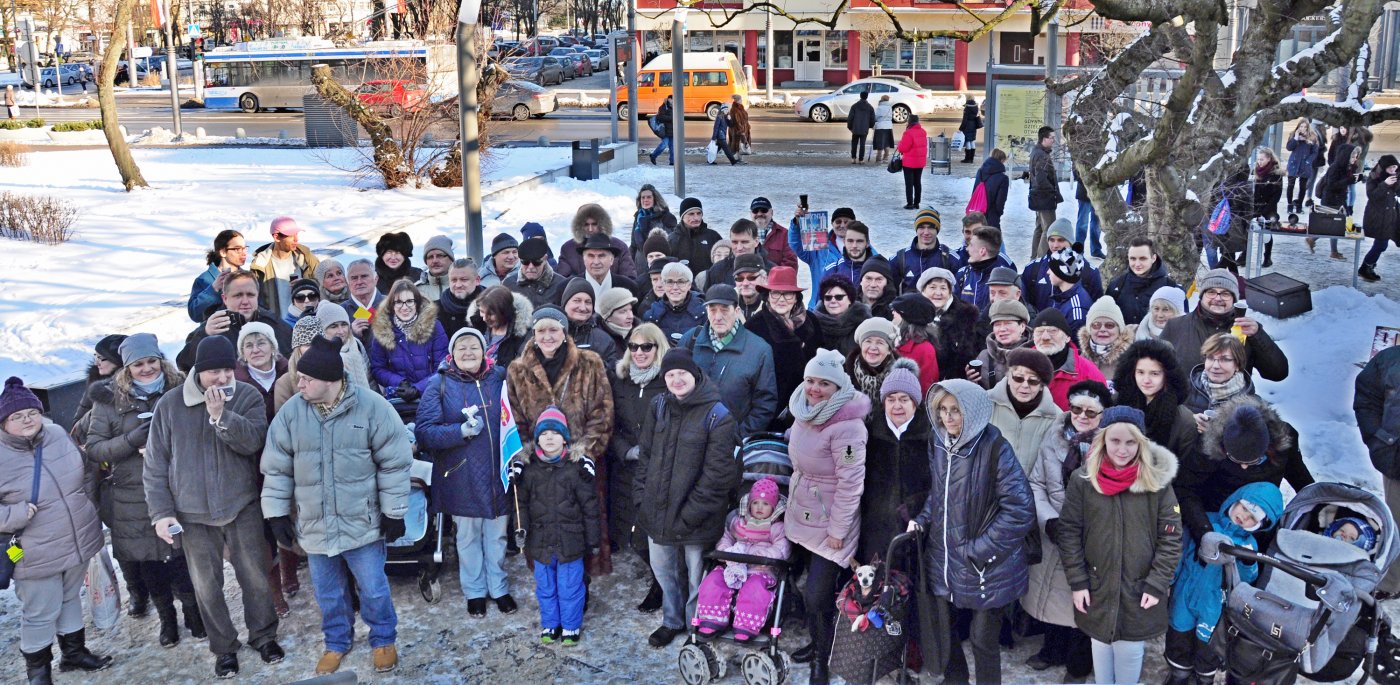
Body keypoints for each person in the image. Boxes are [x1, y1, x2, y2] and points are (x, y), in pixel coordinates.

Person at [262, 334, 411, 675]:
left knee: (373, 589)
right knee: (329, 594)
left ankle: (383, 639)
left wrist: (394, 511)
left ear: (330, 381)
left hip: (362, 521)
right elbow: (276, 467)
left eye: (305, 379)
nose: (297, 383)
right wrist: (276, 513)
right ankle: (336, 642)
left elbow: (395, 462)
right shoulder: (291, 414)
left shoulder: (373, 408)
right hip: (315, 525)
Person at [144, 336, 282, 678]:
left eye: (226, 370)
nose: (221, 378)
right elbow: (156, 465)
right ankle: (224, 648)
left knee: (255, 578)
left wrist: (221, 417)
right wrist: (161, 513)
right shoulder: (170, 404)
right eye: (212, 372)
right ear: (197, 372)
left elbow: (254, 443)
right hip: (192, 513)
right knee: (206, 586)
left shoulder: (246, 396)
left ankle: (263, 636)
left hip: (241, 503)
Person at [909, 379, 1034, 685]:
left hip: (987, 566)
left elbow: (1020, 510)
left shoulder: (995, 448)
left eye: (956, 411)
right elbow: (939, 493)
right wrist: (923, 519)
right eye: (943, 410)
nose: (948, 418)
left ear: (974, 413)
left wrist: (978, 550)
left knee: (982, 640)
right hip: (945, 558)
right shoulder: (938, 442)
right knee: (947, 634)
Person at [1057, 406, 1183, 685]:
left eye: (1130, 442)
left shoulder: (1157, 483)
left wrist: (1156, 582)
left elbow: (1171, 537)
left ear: (1141, 443)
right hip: (1096, 583)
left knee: (1128, 648)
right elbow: (1069, 532)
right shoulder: (1083, 480)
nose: (1122, 449)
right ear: (1102, 440)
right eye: (1115, 440)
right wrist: (1078, 581)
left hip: (1138, 586)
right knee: (1100, 642)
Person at [1, 378, 111, 685]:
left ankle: (74, 654)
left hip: (76, 537)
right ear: (3, 422)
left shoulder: (56, 434)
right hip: (32, 549)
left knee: (70, 598)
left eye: (31, 413)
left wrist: (85, 504)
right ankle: (39, 673)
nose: (27, 420)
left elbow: (86, 471)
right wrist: (15, 514)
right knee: (40, 611)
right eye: (16, 416)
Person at [634, 348, 741, 648]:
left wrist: (691, 513)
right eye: (670, 374)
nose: (676, 379)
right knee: (664, 570)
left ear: (694, 374)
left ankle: (697, 623)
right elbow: (647, 457)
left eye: (682, 373)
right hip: (657, 509)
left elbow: (717, 476)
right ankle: (672, 620)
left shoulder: (717, 416)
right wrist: (641, 498)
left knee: (696, 576)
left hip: (696, 515)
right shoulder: (658, 406)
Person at [507, 306, 616, 575]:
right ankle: (551, 587)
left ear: (565, 332)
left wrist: (587, 452)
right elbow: (515, 417)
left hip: (580, 462)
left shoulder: (590, 362)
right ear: (533, 334)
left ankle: (583, 585)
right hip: (539, 464)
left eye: (553, 329)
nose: (547, 336)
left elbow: (603, 412)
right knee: (545, 526)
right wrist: (525, 454)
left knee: (583, 524)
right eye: (541, 330)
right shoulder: (518, 369)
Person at [415, 327, 514, 617]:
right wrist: (459, 432)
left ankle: (499, 587)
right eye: (462, 348)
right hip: (461, 474)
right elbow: (425, 432)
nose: (468, 352)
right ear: (452, 353)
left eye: (474, 346)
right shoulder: (440, 384)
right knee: (468, 535)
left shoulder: (500, 377)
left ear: (484, 351)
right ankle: (474, 590)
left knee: (497, 534)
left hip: (498, 470)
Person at [784, 350, 869, 685]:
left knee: (818, 594)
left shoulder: (847, 427)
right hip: (804, 511)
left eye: (824, 383)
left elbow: (851, 483)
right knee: (809, 591)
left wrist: (838, 529)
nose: (815, 388)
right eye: (810, 380)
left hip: (832, 520)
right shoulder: (804, 410)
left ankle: (823, 657)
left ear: (838, 387)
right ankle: (818, 640)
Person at [1024, 380, 1111, 679]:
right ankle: (1052, 649)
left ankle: (1078, 665)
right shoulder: (1054, 435)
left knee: (1084, 601)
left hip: (1092, 538)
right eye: (1076, 408)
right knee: (1052, 596)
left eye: (1092, 411)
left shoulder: (1114, 444)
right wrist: (1049, 520)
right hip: (1055, 530)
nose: (1082, 416)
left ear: (1104, 414)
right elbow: (1036, 483)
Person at [1165, 482, 1282, 685]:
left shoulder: (1248, 545)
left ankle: (1204, 676)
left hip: (1215, 604)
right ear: (1234, 501)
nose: (1243, 516)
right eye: (1244, 508)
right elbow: (1181, 550)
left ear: (1258, 525)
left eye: (1251, 518)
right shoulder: (1205, 522)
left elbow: (1246, 580)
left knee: (1208, 643)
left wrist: (1247, 561)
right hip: (1185, 592)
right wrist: (1170, 578)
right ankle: (1179, 674)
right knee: (1178, 634)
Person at [1176, 395, 1313, 551]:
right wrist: (1204, 531)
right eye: (1234, 459)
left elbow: (1303, 483)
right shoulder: (1209, 445)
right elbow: (1184, 488)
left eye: (1253, 461)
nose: (1244, 467)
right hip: (1214, 520)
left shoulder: (1285, 444)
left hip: (1258, 524)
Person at [514, 405, 600, 645]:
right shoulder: (529, 470)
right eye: (544, 434)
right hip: (540, 541)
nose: (549, 438)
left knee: (570, 586)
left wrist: (593, 540)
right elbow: (521, 506)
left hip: (570, 539)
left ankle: (571, 626)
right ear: (537, 439)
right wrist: (520, 531)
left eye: (555, 433)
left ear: (565, 438)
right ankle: (551, 624)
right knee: (545, 587)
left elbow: (589, 507)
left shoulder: (576, 469)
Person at [232, 323, 297, 615]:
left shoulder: (289, 371)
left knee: (291, 513)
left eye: (261, 343)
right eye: (249, 345)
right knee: (263, 526)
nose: (256, 350)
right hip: (254, 463)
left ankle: (290, 571)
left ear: (273, 345)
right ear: (242, 353)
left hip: (291, 456)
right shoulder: (236, 381)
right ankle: (274, 590)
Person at [608, 323, 670, 613]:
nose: (640, 352)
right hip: (627, 469)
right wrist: (624, 450)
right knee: (630, 534)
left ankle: (662, 587)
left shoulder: (668, 380)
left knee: (652, 535)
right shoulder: (620, 379)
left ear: (658, 348)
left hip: (658, 469)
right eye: (634, 346)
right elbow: (610, 424)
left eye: (647, 346)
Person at [677, 285, 780, 439]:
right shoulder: (690, 340)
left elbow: (765, 403)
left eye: (724, 309)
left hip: (729, 444)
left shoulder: (759, 349)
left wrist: (737, 436)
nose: (718, 316)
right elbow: (672, 387)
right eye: (712, 309)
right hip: (689, 438)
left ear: (737, 311)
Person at [695, 477, 788, 639]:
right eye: (755, 503)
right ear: (749, 503)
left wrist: (766, 555)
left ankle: (746, 625)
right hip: (734, 565)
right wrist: (725, 550)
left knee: (755, 589)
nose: (760, 507)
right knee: (713, 581)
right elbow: (726, 536)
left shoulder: (776, 527)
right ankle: (712, 619)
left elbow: (783, 548)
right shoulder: (739, 522)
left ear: (773, 508)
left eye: (766, 504)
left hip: (760, 569)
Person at [857, 359, 930, 565]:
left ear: (915, 402)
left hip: (917, 524)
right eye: (891, 399)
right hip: (876, 526)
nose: (897, 405)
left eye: (904, 399)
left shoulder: (929, 434)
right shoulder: (870, 433)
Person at [1160, 268, 1288, 381]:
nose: (1218, 298)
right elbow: (1156, 369)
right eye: (1211, 292)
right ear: (1202, 296)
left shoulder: (1248, 330)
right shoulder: (1175, 326)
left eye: (1225, 293)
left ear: (1234, 299)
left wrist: (1258, 335)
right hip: (1188, 405)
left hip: (1234, 405)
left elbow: (1278, 373)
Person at [745, 266, 822, 429]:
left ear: (796, 297)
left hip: (808, 404)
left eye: (787, 293)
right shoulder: (754, 326)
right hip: (770, 406)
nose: (781, 299)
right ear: (767, 296)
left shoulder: (811, 321)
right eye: (775, 293)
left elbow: (821, 359)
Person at [176, 270, 293, 373]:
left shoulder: (274, 323)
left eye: (250, 295)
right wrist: (204, 336)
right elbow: (184, 364)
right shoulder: (213, 326)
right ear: (225, 299)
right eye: (238, 296)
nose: (245, 301)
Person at [1356, 343, 1400, 595]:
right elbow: (1366, 397)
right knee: (1397, 523)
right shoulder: (1390, 360)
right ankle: (1392, 583)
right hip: (1398, 461)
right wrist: (1378, 437)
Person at [1111, 339, 1198, 465]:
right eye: (1140, 372)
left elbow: (1184, 469)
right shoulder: (1116, 403)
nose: (1146, 380)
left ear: (1168, 375)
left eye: (1154, 374)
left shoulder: (1184, 419)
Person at [369, 280, 449, 407]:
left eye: (410, 301)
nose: (404, 307)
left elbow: (443, 367)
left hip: (432, 397)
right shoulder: (382, 329)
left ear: (417, 303)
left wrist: (418, 389)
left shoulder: (434, 327)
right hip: (398, 399)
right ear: (392, 305)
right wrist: (400, 382)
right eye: (398, 302)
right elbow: (378, 368)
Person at [988, 347, 1063, 472]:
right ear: (1008, 377)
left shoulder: (1056, 417)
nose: (1025, 385)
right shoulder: (986, 404)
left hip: (1031, 490)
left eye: (1033, 381)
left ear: (1041, 385)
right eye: (1018, 378)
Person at [1031, 309, 1106, 410]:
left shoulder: (1088, 373)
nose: (1045, 337)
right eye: (1039, 332)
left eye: (1053, 331)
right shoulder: (1021, 366)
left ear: (1067, 337)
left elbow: (1101, 411)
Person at [1022, 220, 1102, 312]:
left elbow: (1097, 309)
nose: (1055, 245)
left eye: (1061, 240)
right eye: (1051, 240)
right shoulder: (1032, 269)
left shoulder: (1089, 272)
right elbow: (1024, 305)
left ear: (1071, 242)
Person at [249, 217, 320, 320]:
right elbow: (254, 300)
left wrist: (307, 284)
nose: (296, 239)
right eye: (291, 235)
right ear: (277, 237)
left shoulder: (307, 258)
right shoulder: (260, 265)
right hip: (278, 327)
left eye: (296, 234)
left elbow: (324, 285)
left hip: (307, 323)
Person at [789, 205, 855, 308]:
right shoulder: (819, 247)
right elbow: (795, 244)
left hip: (849, 308)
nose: (842, 225)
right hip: (819, 308)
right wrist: (797, 223)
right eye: (838, 222)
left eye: (846, 222)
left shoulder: (863, 248)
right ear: (832, 224)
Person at [1106, 238, 1179, 326]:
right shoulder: (1116, 286)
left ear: (1153, 258)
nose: (1137, 264)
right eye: (1133, 259)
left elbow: (1181, 327)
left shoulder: (1171, 288)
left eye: (1143, 258)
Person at [558, 204, 638, 279]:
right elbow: (562, 279)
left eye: (594, 224)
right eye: (586, 224)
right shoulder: (568, 248)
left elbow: (630, 278)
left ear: (602, 224)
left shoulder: (619, 246)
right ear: (579, 225)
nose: (590, 229)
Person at [1185, 333, 1256, 415]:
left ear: (1237, 364)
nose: (1215, 366)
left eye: (1225, 359)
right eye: (1210, 358)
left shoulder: (1252, 403)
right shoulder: (1185, 389)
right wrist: (1191, 421)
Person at [1311, 142, 1360, 260]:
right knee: (1334, 226)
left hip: (1339, 200)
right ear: (1346, 156)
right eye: (1353, 156)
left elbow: (1344, 183)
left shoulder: (1346, 166)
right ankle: (1324, 246)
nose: (1355, 159)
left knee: (1336, 225)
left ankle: (1327, 247)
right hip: (1330, 200)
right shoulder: (1335, 167)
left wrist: (1356, 178)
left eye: (1356, 156)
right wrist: (1349, 180)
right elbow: (1332, 185)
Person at [891, 208, 958, 294]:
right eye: (921, 227)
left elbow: (958, 294)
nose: (926, 232)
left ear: (937, 230)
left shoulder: (950, 258)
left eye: (930, 228)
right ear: (916, 230)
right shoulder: (900, 258)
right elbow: (891, 293)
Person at [970, 299, 1033, 389]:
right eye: (997, 324)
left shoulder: (1035, 355)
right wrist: (972, 381)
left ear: (1022, 326)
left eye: (1008, 323)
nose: (1002, 329)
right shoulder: (984, 356)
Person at [189, 229, 249, 322]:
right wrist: (213, 289)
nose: (244, 253)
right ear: (223, 252)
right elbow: (195, 314)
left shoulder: (249, 278)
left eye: (245, 248)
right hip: (214, 335)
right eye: (237, 249)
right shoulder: (204, 279)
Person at [559, 278, 621, 368]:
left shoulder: (604, 340)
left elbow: (612, 377)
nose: (583, 308)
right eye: (577, 301)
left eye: (588, 302)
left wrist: (595, 365)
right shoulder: (550, 334)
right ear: (565, 303)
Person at [468, 285, 534, 369]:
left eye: (490, 314)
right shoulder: (477, 325)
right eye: (481, 311)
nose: (484, 318)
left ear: (504, 312)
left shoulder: (522, 336)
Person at [957, 225, 1020, 311]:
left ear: (982, 251)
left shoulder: (1007, 280)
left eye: (971, 245)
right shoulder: (963, 274)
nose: (967, 249)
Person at [314, 301, 373, 389]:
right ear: (322, 330)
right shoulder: (318, 355)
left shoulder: (356, 344)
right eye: (334, 326)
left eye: (344, 325)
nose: (341, 331)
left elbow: (371, 380)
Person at [844, 318, 901, 409]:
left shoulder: (901, 377)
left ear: (889, 350)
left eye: (880, 342)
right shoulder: (844, 374)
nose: (873, 347)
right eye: (868, 341)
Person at [643, 261, 706, 343]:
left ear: (689, 285)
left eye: (681, 282)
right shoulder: (652, 315)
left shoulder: (704, 313)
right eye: (670, 282)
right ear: (664, 284)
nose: (675, 287)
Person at [890, 292, 941, 393]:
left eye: (896, 311)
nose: (892, 313)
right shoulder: (894, 339)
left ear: (908, 317)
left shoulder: (925, 349)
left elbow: (926, 386)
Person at [1360, 154, 1399, 282]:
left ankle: (1368, 267)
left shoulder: (1394, 176)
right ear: (1383, 168)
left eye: (1395, 167)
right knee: (1381, 244)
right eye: (1390, 168)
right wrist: (1385, 184)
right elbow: (1372, 196)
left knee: (1382, 244)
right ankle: (1366, 267)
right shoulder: (1373, 178)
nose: (1393, 170)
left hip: (1390, 217)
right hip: (1377, 217)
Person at [1077, 297, 1136, 381]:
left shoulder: (1130, 360)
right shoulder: (1081, 360)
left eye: (1109, 325)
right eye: (1096, 325)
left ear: (1119, 329)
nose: (1102, 329)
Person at [1028, 125, 1063, 259]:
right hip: (1044, 197)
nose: (1054, 140)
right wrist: (1052, 191)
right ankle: (1040, 259)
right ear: (1044, 139)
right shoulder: (1041, 155)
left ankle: (1034, 258)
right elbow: (1041, 178)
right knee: (1048, 228)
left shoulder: (1038, 152)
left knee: (1040, 228)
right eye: (1052, 138)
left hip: (1039, 196)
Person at [703, 220, 770, 289]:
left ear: (756, 242)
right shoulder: (717, 270)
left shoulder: (770, 270)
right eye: (735, 242)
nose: (739, 248)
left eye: (744, 242)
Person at [505, 237, 569, 309]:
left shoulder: (563, 285)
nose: (531, 267)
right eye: (525, 262)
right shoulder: (508, 284)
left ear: (545, 259)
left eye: (536, 262)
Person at [813, 275, 869, 357]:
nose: (833, 301)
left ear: (850, 299)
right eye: (828, 298)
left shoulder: (864, 324)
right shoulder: (813, 324)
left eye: (839, 297)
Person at [668, 197, 725, 274]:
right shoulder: (672, 239)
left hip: (708, 283)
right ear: (682, 216)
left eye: (699, 213)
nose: (696, 218)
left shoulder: (713, 236)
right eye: (691, 214)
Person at [1045, 249, 1093, 337]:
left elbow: (1075, 347)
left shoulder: (1076, 311)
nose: (1047, 272)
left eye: (1051, 269)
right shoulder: (1060, 293)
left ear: (1063, 273)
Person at [1252, 147, 1285, 266]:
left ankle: (1267, 256)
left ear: (1269, 159)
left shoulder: (1276, 175)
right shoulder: (1258, 172)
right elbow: (1255, 193)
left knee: (1267, 229)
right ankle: (1244, 254)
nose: (1259, 162)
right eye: (1258, 159)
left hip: (1269, 207)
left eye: (1262, 159)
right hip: (1258, 206)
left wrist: (1265, 210)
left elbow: (1276, 196)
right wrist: (1255, 208)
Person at [437, 258, 485, 338]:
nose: (458, 285)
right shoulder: (436, 309)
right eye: (454, 280)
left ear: (477, 280)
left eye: (464, 280)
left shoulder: (493, 306)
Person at [630, 185, 677, 266]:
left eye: (649, 197)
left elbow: (671, 244)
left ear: (655, 199)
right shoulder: (638, 217)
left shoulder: (665, 216)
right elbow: (633, 245)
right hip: (640, 265)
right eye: (643, 197)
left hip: (659, 264)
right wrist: (630, 265)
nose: (645, 200)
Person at [341, 259, 384, 346]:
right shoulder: (341, 311)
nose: (359, 282)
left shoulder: (391, 304)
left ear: (376, 279)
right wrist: (351, 334)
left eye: (364, 276)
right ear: (347, 282)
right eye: (354, 278)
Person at [747, 196, 798, 270]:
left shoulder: (785, 234)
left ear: (772, 212)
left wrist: (768, 276)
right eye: (755, 211)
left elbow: (791, 264)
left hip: (776, 281)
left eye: (764, 210)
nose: (759, 213)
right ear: (751, 213)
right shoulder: (743, 234)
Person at [824, 220, 879, 287]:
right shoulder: (831, 271)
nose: (854, 246)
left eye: (859, 241)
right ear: (844, 242)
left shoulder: (880, 269)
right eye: (850, 241)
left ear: (867, 243)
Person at [1284, 120, 1320, 216]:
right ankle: (1289, 205)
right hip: (1294, 163)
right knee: (1290, 185)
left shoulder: (1312, 137)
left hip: (1305, 164)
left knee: (1302, 187)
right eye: (1301, 126)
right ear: (1298, 127)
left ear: (1308, 128)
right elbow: (1289, 147)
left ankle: (1299, 205)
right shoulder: (1293, 135)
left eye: (1305, 127)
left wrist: (1309, 160)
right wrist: (1295, 139)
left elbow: (1315, 152)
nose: (1303, 129)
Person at [896, 114, 929, 209]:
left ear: (909, 122)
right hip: (920, 162)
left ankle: (910, 203)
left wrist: (899, 145)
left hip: (909, 163)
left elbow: (903, 148)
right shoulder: (923, 132)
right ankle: (917, 203)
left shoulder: (908, 133)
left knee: (909, 183)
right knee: (917, 182)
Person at [973, 148, 1010, 228]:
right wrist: (998, 212)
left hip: (979, 210)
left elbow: (975, 191)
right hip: (992, 213)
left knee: (978, 237)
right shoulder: (1003, 178)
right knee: (994, 238)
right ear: (1001, 160)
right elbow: (1000, 200)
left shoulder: (980, 171)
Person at [1073, 171, 1104, 258]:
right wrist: (1088, 179)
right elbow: (1076, 173)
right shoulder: (1080, 158)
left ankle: (1096, 249)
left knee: (1097, 223)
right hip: (1084, 192)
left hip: (1098, 193)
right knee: (1083, 223)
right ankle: (1078, 251)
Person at [414, 235, 455, 300]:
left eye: (440, 255)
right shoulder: (416, 291)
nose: (435, 261)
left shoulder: (463, 286)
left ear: (451, 259)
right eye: (430, 257)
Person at [847, 90, 875, 164]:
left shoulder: (854, 106)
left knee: (854, 144)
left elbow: (850, 118)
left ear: (860, 96)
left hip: (855, 128)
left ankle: (853, 158)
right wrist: (870, 126)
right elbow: (872, 119)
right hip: (864, 129)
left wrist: (850, 127)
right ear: (867, 97)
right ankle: (861, 159)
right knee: (862, 144)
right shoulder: (870, 107)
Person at [650, 95, 675, 165]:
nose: (673, 101)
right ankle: (653, 155)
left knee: (672, 146)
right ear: (669, 99)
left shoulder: (675, 107)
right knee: (664, 144)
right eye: (672, 99)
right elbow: (660, 117)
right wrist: (671, 118)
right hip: (665, 130)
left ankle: (672, 161)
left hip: (673, 130)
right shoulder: (663, 107)